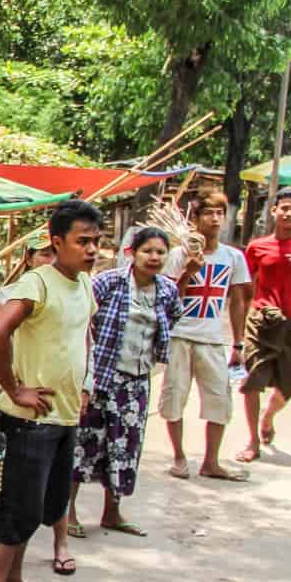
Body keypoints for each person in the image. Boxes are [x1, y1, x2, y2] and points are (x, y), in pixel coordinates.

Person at [0, 199, 100, 582]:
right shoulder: (37, 284)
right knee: (17, 509)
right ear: (56, 242)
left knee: (46, 507)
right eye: (82, 241)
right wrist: (13, 388)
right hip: (31, 418)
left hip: (66, 416)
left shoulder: (84, 285)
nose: (91, 250)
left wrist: (84, 384)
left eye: (96, 241)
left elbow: (80, 337)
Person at [59, 227, 181, 551]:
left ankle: (112, 512)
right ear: (132, 253)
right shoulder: (108, 282)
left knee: (125, 446)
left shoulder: (167, 290)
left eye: (160, 252)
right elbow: (81, 317)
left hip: (138, 379)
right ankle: (68, 512)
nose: (154, 258)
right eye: (148, 251)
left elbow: (172, 318)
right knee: (86, 443)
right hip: (101, 375)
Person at [159, 191, 251, 481]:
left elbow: (237, 301)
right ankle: (179, 457)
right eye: (207, 213)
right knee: (175, 396)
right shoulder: (177, 254)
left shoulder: (233, 256)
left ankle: (211, 461)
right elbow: (169, 298)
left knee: (219, 401)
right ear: (195, 219)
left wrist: (238, 342)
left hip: (212, 338)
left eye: (219, 213)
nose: (214, 219)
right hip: (180, 335)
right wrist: (188, 271)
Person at [238, 188, 291, 462]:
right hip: (260, 322)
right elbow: (244, 284)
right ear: (273, 211)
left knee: (288, 388)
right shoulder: (257, 246)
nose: (288, 213)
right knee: (253, 381)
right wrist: (249, 313)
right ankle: (253, 441)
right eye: (284, 207)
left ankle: (268, 417)